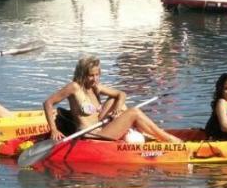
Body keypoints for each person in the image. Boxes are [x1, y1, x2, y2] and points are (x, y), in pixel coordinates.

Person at [42, 55, 181, 144]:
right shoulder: (74, 87)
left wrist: (115, 110)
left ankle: (149, 134)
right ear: (82, 74)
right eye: (91, 75)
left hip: (101, 127)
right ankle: (167, 139)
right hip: (92, 135)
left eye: (97, 75)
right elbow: (48, 103)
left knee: (116, 101)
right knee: (134, 112)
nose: (95, 79)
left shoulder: (96, 87)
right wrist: (53, 130)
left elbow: (121, 94)